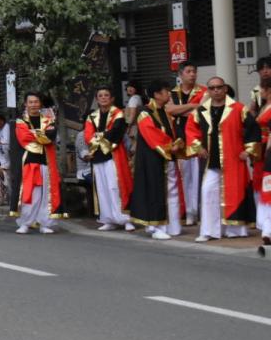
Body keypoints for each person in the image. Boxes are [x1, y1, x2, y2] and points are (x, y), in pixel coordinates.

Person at [184, 76, 259, 242]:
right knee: (207, 192)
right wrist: (198, 147)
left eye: (219, 87)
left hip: (233, 159)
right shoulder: (201, 111)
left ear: (225, 89)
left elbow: (253, 129)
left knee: (234, 194)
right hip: (211, 161)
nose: (216, 90)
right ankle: (209, 231)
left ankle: (235, 230)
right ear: (208, 91)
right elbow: (190, 130)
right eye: (212, 88)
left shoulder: (239, 108)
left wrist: (249, 150)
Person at [128, 81, 182, 241]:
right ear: (157, 94)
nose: (169, 94)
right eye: (166, 91)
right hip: (153, 158)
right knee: (156, 191)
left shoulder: (164, 112)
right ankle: (157, 226)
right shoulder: (145, 112)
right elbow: (152, 135)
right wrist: (169, 145)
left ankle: (171, 225)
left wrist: (177, 142)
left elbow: (172, 131)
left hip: (166, 156)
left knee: (170, 191)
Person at [8, 92, 65, 234]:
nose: (33, 104)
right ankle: (25, 223)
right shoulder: (21, 122)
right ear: (26, 104)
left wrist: (35, 134)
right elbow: (24, 138)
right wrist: (41, 135)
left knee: (46, 193)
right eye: (30, 102)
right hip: (29, 161)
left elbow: (51, 136)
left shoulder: (48, 120)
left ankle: (44, 223)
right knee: (30, 193)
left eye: (36, 102)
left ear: (40, 104)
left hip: (46, 161)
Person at [83, 87, 134, 232]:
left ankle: (126, 219)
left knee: (115, 186)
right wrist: (103, 135)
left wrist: (98, 136)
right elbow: (88, 136)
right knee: (103, 188)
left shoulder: (118, 114)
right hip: (98, 157)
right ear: (97, 99)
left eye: (106, 95)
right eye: (100, 95)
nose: (104, 98)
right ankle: (109, 219)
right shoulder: (92, 116)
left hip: (114, 155)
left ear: (112, 98)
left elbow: (116, 134)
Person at [168, 62, 206, 226]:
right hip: (179, 138)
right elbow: (169, 110)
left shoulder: (204, 90)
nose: (192, 74)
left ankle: (198, 211)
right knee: (185, 176)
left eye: (194, 71)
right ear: (181, 74)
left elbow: (203, 110)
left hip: (197, 137)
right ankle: (189, 212)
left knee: (199, 175)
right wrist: (191, 106)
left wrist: (180, 110)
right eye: (189, 71)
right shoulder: (172, 93)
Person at [252, 77, 271, 247]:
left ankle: (267, 228)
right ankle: (265, 226)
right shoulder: (263, 106)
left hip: (267, 148)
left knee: (268, 188)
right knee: (263, 187)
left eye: (262, 89)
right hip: (262, 149)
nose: (260, 92)